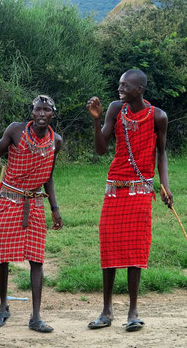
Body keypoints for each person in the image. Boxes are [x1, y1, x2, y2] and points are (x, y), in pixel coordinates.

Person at [86, 69, 172, 332]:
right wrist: (97, 121)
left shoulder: (158, 116)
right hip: (115, 187)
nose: (120, 89)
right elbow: (101, 149)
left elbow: (162, 154)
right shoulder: (115, 108)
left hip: (141, 189)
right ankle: (106, 310)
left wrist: (164, 186)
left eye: (125, 86)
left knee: (136, 249)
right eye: (120, 84)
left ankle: (133, 311)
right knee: (109, 245)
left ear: (140, 90)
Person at [0, 95, 63, 332]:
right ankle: (2, 307)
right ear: (32, 113)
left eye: (46, 110)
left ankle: (36, 316)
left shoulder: (55, 141)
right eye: (37, 110)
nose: (41, 114)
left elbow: (48, 175)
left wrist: (55, 208)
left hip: (36, 202)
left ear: (52, 114)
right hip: (8, 200)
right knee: (2, 257)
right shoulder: (15, 131)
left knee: (37, 259)